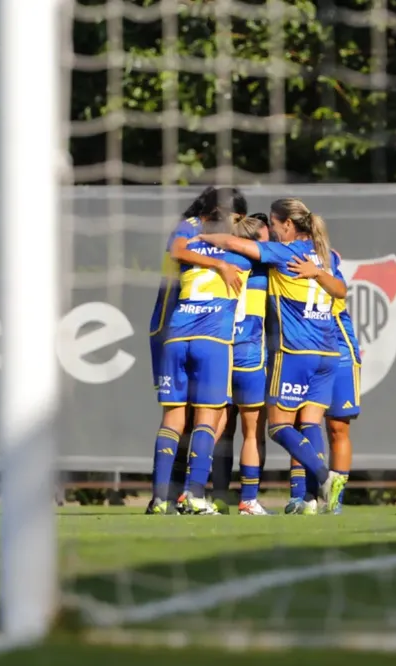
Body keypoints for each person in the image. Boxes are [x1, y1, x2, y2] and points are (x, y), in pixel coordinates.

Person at [197, 198, 348, 513]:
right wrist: (319, 274)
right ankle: (311, 501)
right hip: (329, 353)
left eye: (277, 227)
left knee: (278, 427)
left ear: (288, 225)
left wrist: (200, 238)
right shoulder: (328, 256)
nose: (275, 234)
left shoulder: (285, 252)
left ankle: (323, 476)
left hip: (296, 352)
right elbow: (341, 291)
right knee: (309, 425)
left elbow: (231, 242)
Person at [146, 187, 246, 515]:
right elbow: (177, 249)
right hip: (211, 339)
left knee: (173, 419)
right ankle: (194, 495)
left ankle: (161, 497)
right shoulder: (225, 246)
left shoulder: (194, 243)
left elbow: (179, 251)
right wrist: (222, 264)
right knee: (207, 417)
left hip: (177, 334)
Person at [285, 248, 360, 515]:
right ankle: (303, 497)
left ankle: (334, 500)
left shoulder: (327, 260)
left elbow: (339, 279)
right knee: (299, 424)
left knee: (338, 429)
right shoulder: (286, 262)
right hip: (306, 350)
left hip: (340, 353)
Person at [209, 213, 273, 516]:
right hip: (249, 354)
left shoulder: (217, 264)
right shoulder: (264, 268)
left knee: (218, 429)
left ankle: (208, 495)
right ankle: (249, 499)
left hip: (221, 350)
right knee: (253, 431)